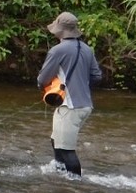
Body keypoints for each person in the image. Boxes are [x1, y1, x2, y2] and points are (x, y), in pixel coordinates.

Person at [37, 11, 102, 176]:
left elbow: (43, 78)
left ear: (59, 31)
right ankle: (60, 172)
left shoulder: (57, 51)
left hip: (70, 107)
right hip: (85, 106)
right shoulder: (87, 49)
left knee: (67, 150)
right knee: (55, 140)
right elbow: (97, 76)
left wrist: (45, 87)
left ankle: (75, 185)